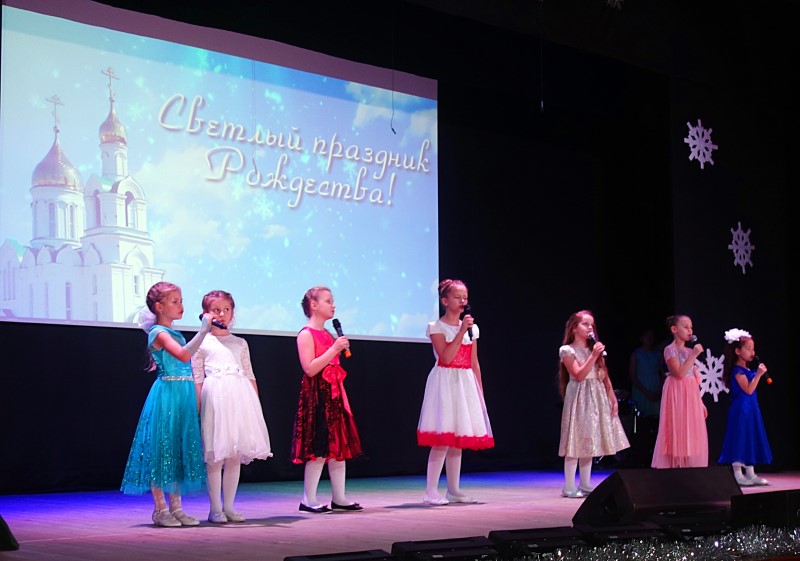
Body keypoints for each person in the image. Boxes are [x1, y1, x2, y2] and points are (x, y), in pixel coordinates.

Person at [121, 281, 212, 527]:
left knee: (177, 449)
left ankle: (177, 508)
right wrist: (203, 332)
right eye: (175, 302)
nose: (181, 306)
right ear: (159, 307)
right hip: (167, 394)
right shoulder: (158, 332)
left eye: (181, 301)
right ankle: (161, 509)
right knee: (162, 450)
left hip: (182, 393)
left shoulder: (176, 333)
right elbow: (182, 355)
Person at [191, 290, 273, 524]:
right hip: (215, 401)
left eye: (226, 309)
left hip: (239, 402)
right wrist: (198, 409)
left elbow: (249, 374)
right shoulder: (201, 343)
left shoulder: (240, 343)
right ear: (206, 313)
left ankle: (229, 506)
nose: (222, 314)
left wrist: (254, 406)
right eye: (216, 310)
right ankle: (215, 508)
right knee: (215, 456)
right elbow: (198, 379)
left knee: (234, 455)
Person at [417, 279, 494, 505]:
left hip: (465, 383)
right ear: (445, 301)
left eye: (465, 297)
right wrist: (461, 332)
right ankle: (431, 491)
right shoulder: (436, 327)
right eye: (458, 297)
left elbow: (474, 362)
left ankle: (454, 490)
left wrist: (479, 391)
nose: (463, 301)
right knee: (442, 437)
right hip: (445, 382)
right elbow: (447, 357)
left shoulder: (472, 329)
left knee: (457, 439)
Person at [290, 286, 363, 513]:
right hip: (317, 394)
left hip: (333, 393)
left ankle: (339, 497)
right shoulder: (306, 334)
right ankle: (308, 499)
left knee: (338, 447)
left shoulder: (328, 334)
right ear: (313, 305)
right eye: (328, 301)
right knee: (318, 448)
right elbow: (310, 368)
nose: (333, 305)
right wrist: (334, 349)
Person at [557, 310, 630, 498]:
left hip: (596, 395)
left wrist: (611, 397)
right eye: (585, 324)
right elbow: (579, 375)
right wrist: (593, 355)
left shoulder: (594, 350)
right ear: (574, 328)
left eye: (592, 325)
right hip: (580, 396)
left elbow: (603, 374)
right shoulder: (567, 350)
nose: (590, 328)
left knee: (589, 439)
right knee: (575, 439)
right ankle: (568, 486)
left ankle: (585, 483)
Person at [651, 314, 708, 468]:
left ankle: (689, 466)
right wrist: (694, 354)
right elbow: (679, 373)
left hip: (690, 393)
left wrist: (700, 402)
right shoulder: (670, 350)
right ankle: (676, 466)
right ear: (674, 329)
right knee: (677, 428)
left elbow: (693, 377)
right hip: (676, 392)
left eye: (691, 327)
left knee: (691, 430)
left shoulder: (689, 351)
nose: (690, 331)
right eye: (686, 327)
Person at [718, 328, 772, 486]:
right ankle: (737, 473)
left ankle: (751, 473)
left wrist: (757, 374)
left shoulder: (747, 370)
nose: (752, 352)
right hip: (741, 410)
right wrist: (759, 375)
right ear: (737, 351)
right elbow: (748, 389)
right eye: (748, 349)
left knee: (750, 437)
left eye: (753, 349)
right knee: (740, 437)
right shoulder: (737, 371)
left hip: (752, 409)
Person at [628, 327, 664, 418]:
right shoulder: (636, 354)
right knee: (641, 416)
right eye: (647, 336)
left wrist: (658, 391)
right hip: (641, 388)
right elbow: (633, 377)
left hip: (655, 387)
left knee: (655, 416)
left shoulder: (658, 354)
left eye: (651, 336)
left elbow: (663, 374)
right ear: (642, 338)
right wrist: (646, 392)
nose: (649, 338)